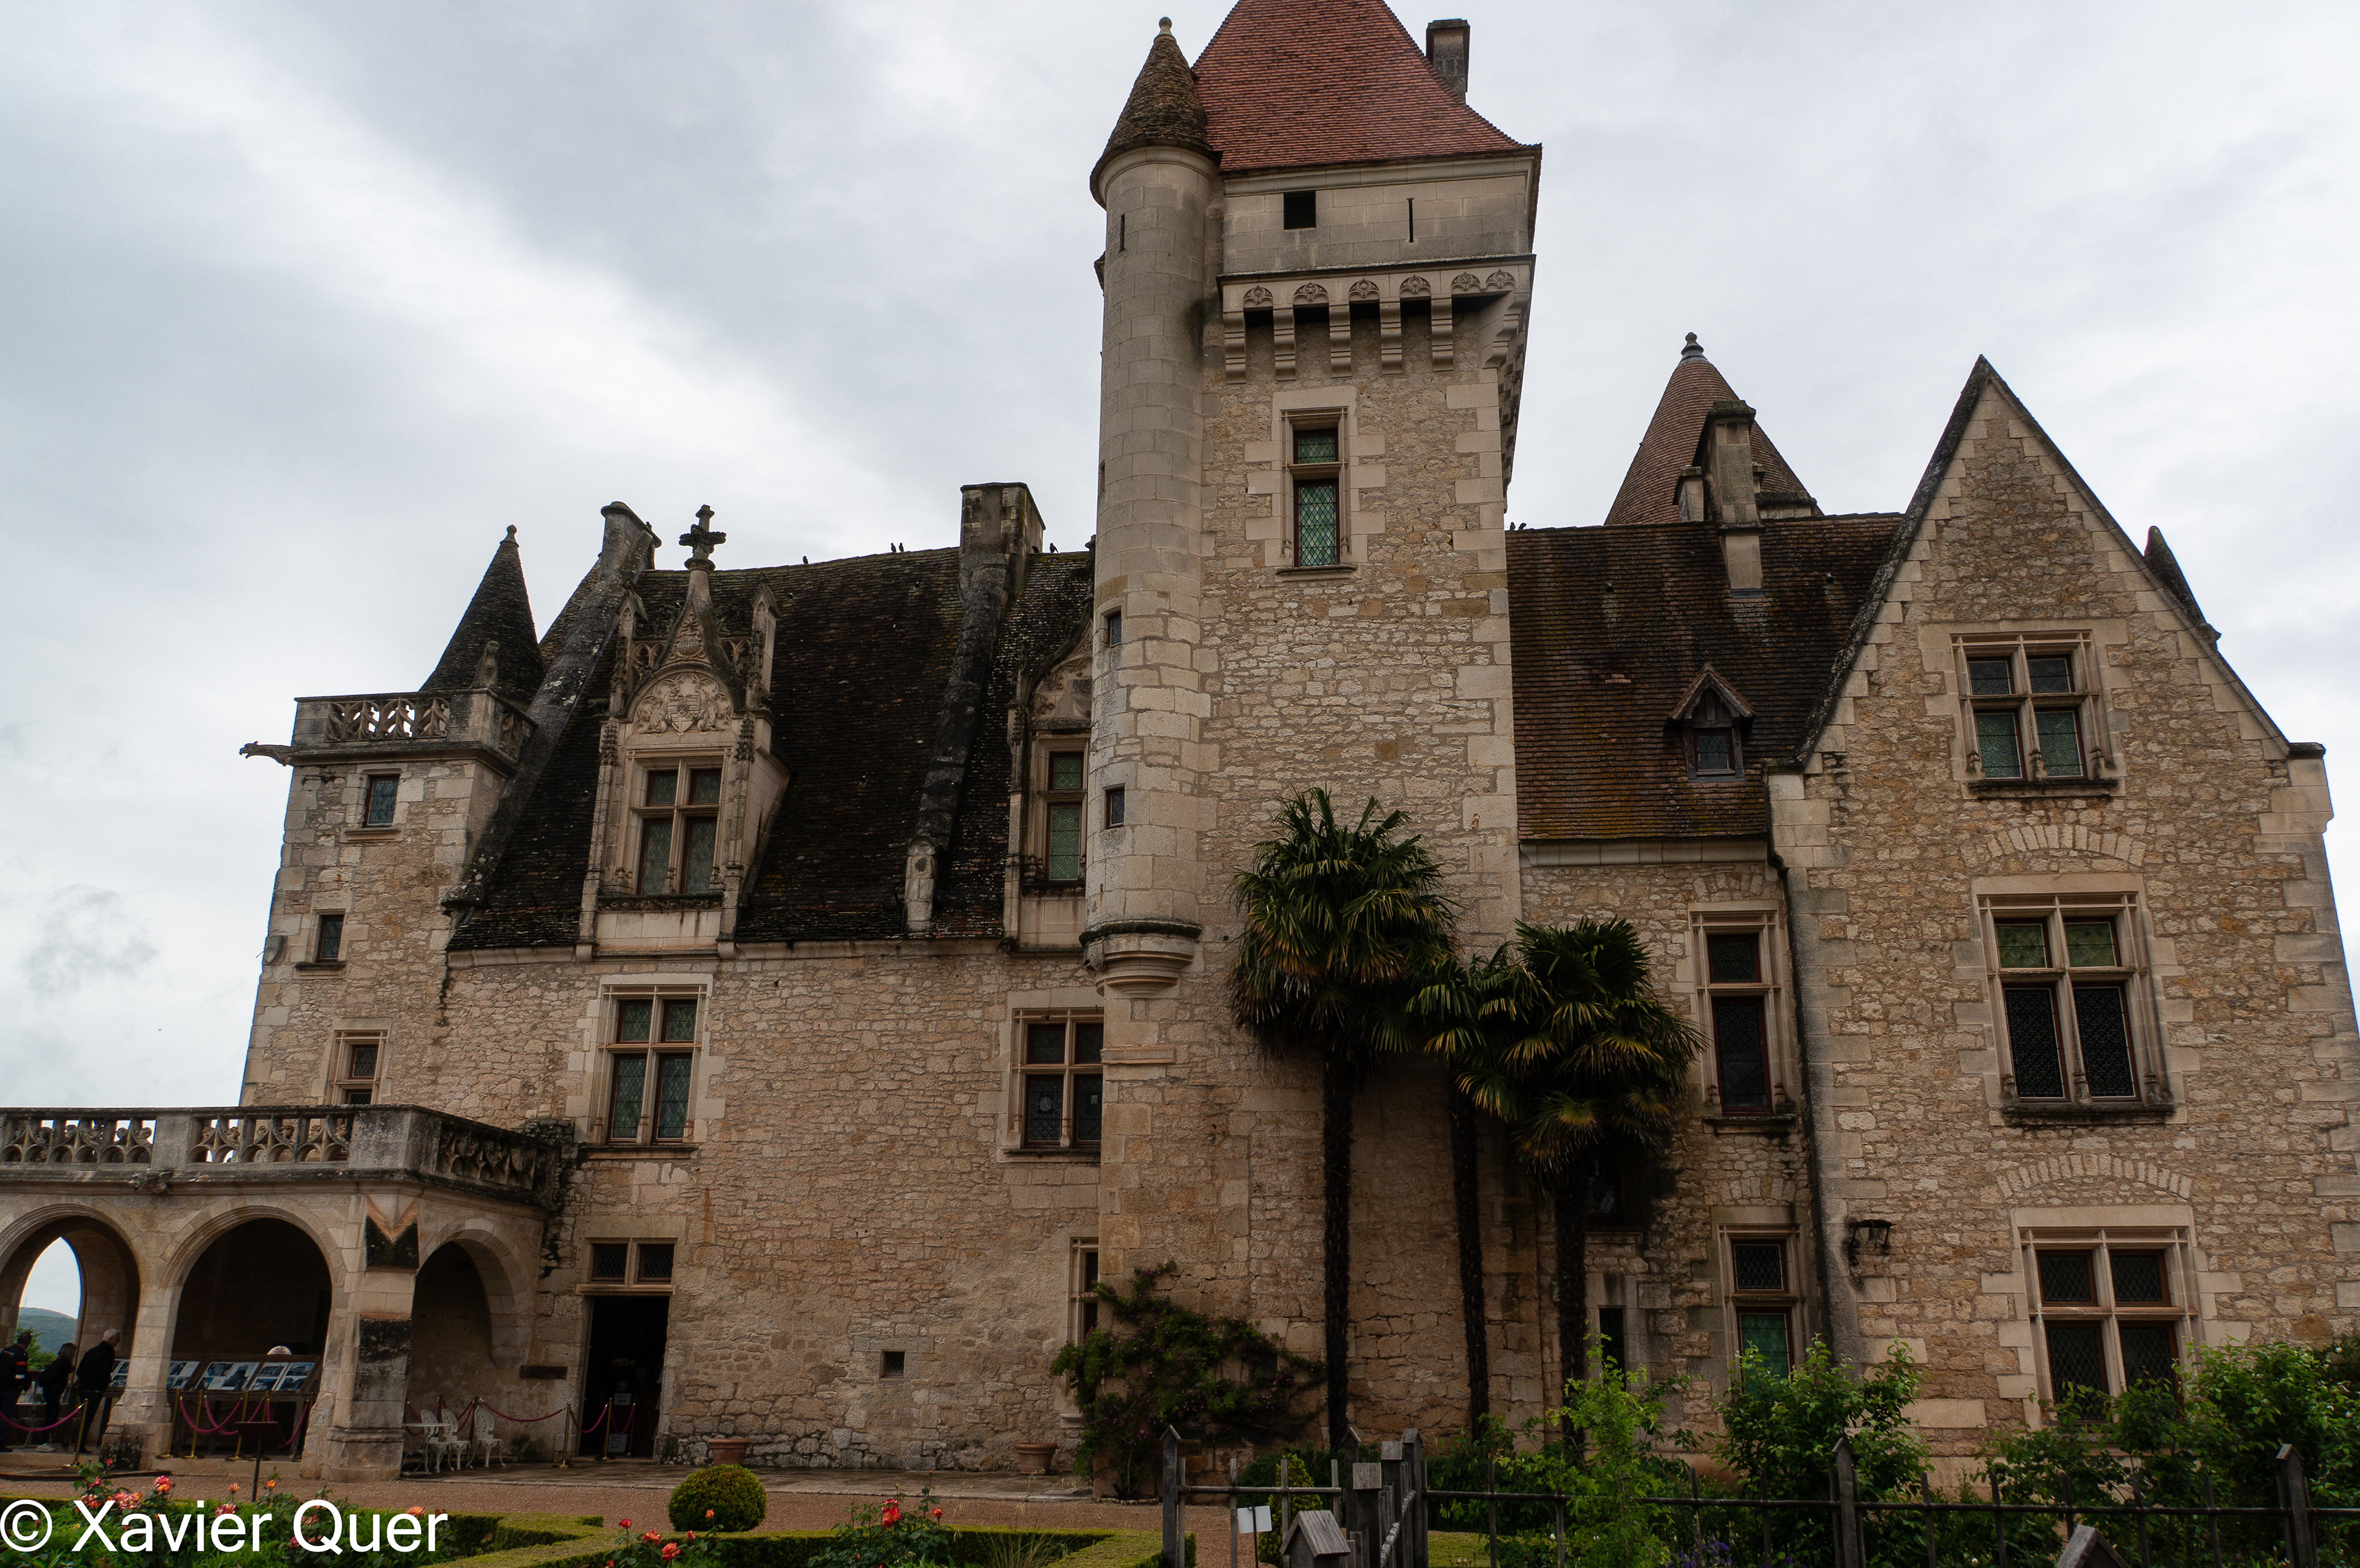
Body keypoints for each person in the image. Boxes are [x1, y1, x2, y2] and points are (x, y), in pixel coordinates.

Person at [73, 1331, 119, 1454]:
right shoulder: (108, 1352)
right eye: (117, 1339)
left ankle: (78, 1444)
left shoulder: (91, 1351)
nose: (118, 1342)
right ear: (112, 1338)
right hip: (96, 1389)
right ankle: (80, 1445)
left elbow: (79, 1372)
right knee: (88, 1418)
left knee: (85, 1417)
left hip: (83, 1388)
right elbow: (105, 1372)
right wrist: (107, 1381)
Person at [36, 1343, 73, 1452]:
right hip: (52, 1393)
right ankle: (43, 1442)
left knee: (51, 1417)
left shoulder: (59, 1362)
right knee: (52, 1417)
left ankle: (45, 1441)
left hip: (51, 1392)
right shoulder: (62, 1363)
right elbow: (52, 1378)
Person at [0, 1330, 28, 1452]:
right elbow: (20, 1375)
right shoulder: (22, 1355)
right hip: (10, 1389)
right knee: (5, 1416)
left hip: (1, 1386)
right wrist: (20, 1387)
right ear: (28, 1343)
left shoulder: (6, 1351)